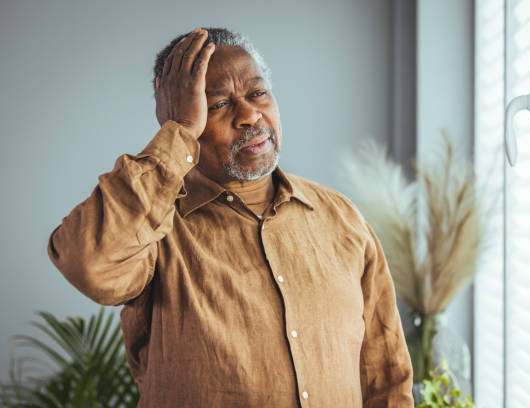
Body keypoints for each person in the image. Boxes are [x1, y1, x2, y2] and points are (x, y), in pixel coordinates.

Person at [47, 27, 414, 407]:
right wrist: (178, 132)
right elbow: (88, 264)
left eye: (258, 93)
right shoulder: (155, 226)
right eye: (218, 104)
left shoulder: (342, 218)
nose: (250, 114)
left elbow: (386, 378)